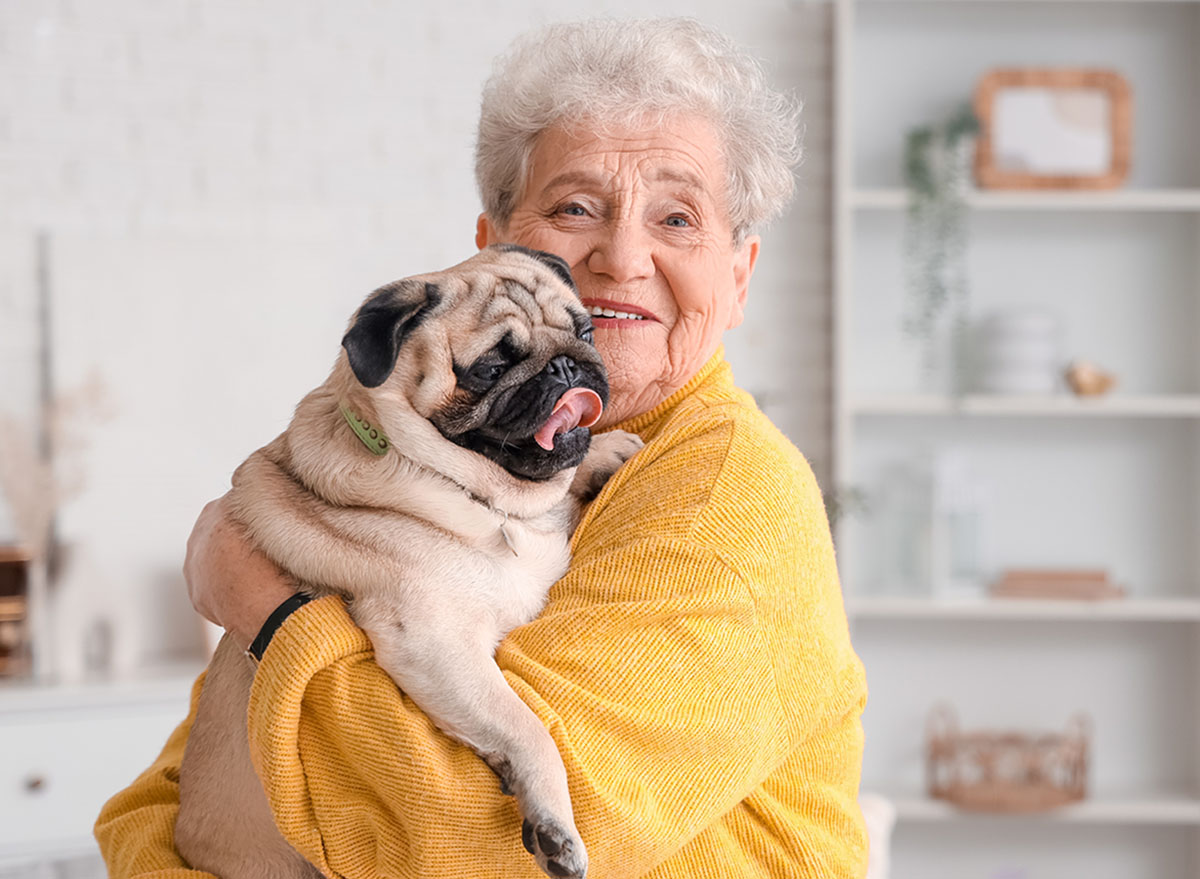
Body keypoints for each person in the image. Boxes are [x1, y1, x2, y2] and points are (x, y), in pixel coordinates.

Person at [96, 17, 868, 878]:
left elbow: (486, 843)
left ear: (739, 275)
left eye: (677, 218)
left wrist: (269, 610)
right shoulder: (440, 477)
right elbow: (171, 798)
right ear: (491, 245)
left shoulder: (720, 499)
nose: (621, 257)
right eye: (575, 207)